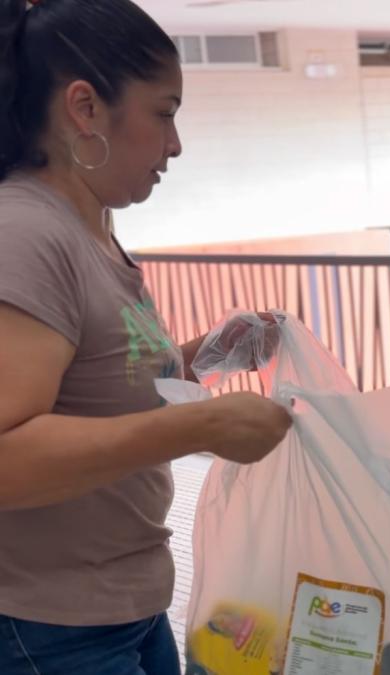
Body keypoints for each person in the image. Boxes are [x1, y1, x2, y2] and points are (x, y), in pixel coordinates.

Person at [0, 1, 292, 672]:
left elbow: (103, 387)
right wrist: (197, 428)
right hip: (52, 625)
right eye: (164, 112)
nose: (176, 143)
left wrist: (206, 354)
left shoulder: (91, 231)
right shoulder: (26, 233)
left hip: (123, 605)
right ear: (85, 109)